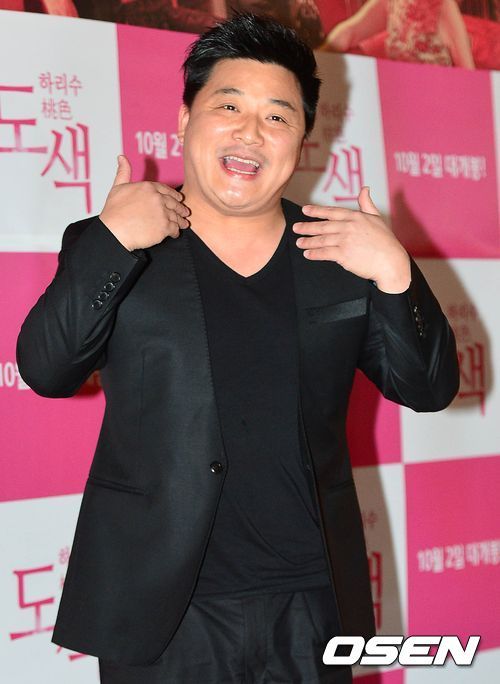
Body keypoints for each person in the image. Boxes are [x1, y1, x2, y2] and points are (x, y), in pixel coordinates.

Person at [16, 12, 459, 684]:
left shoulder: (340, 253)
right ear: (183, 120)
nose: (251, 132)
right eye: (229, 106)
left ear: (302, 141)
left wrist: (396, 273)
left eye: (277, 116)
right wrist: (110, 241)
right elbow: (47, 370)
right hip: (162, 611)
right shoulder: (120, 240)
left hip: (312, 604)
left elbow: (428, 389)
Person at [321, 0, 475, 69]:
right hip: (397, 95)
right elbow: (349, 33)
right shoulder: (392, 3)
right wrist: (317, 58)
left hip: (436, 101)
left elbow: (468, 73)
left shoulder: (444, 6)